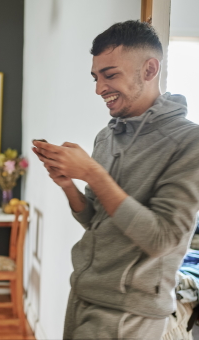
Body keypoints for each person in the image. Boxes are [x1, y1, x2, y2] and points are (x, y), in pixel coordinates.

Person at [32, 20, 199, 339]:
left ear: (150, 70)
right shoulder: (106, 137)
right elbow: (95, 219)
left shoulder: (189, 142)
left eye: (110, 74)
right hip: (83, 293)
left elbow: (163, 239)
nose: (98, 88)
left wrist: (92, 172)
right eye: (96, 77)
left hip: (130, 313)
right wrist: (67, 183)